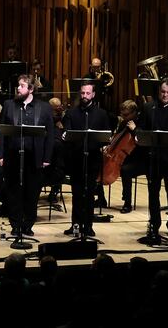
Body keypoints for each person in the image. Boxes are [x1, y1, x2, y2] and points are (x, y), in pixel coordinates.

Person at [0, 75, 55, 237]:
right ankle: (15, 224)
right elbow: (1, 132)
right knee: (13, 192)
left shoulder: (44, 107)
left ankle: (28, 224)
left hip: (34, 157)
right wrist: (0, 155)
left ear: (31, 89)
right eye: (18, 85)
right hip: (13, 156)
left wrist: (47, 158)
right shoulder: (9, 105)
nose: (18, 89)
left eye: (22, 86)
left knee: (32, 192)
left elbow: (50, 135)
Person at [139, 77, 168, 237]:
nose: (165, 95)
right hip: (153, 158)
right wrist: (139, 137)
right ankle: (154, 224)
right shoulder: (148, 108)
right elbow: (142, 130)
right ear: (159, 91)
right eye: (162, 92)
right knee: (153, 193)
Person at [62, 82, 111, 236]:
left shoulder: (101, 114)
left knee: (89, 194)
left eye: (88, 93)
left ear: (93, 94)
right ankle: (75, 225)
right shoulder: (71, 113)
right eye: (82, 93)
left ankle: (88, 225)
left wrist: (103, 144)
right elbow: (67, 134)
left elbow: (105, 137)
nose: (84, 96)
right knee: (76, 193)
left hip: (93, 159)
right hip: (76, 159)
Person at [112, 100, 147, 213]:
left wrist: (135, 130)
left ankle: (127, 203)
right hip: (124, 158)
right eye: (122, 114)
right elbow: (117, 139)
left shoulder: (141, 123)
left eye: (126, 115)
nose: (123, 117)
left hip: (140, 160)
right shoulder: (123, 123)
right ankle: (101, 199)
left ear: (134, 113)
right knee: (99, 164)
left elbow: (143, 140)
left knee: (125, 170)